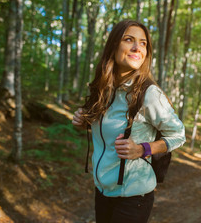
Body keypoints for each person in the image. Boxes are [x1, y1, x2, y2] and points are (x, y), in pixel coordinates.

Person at [71, 19, 186, 223]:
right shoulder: (104, 89)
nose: (137, 48)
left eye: (143, 43)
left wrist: (143, 149)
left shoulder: (149, 93)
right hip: (103, 192)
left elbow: (178, 135)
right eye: (129, 40)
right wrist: (83, 122)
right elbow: (106, 131)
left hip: (134, 197)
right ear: (114, 45)